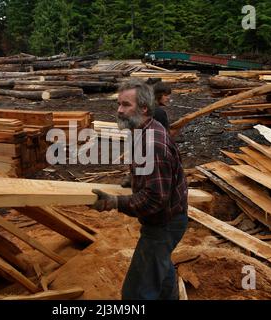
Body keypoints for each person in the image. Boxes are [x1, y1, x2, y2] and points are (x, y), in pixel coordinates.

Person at [91, 79, 188, 300]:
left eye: (126, 105)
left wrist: (115, 202)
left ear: (144, 108)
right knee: (160, 271)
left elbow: (155, 200)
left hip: (164, 224)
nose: (119, 110)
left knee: (135, 294)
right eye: (119, 104)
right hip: (170, 217)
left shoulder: (153, 143)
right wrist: (135, 179)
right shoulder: (141, 130)